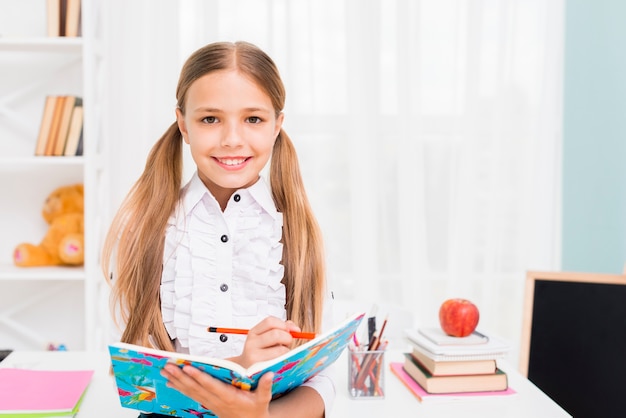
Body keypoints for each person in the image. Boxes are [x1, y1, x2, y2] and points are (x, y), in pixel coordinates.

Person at [101, 41, 333, 418]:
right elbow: (134, 380)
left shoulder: (299, 230)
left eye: (253, 119)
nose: (231, 140)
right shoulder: (145, 229)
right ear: (183, 124)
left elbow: (325, 379)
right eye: (210, 119)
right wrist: (238, 367)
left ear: (277, 125)